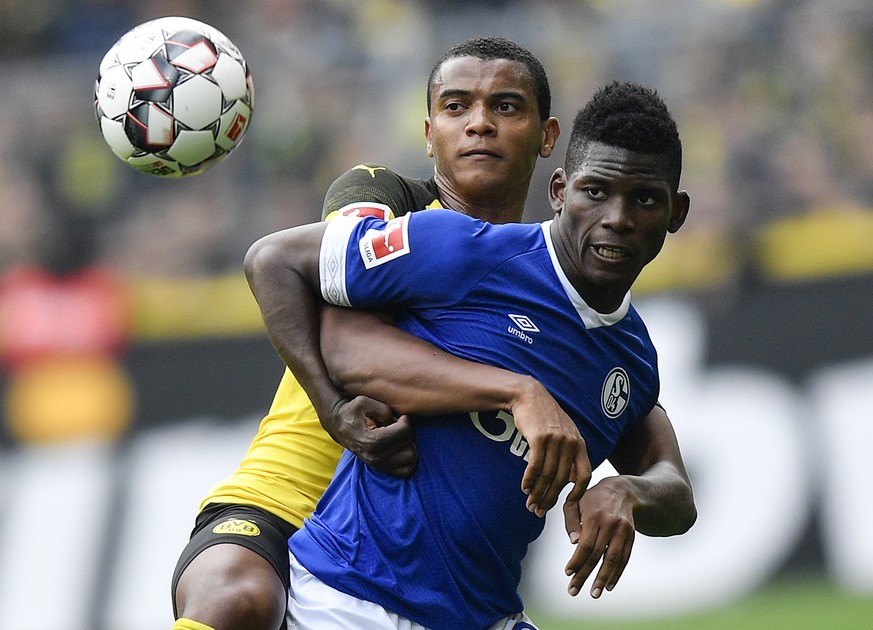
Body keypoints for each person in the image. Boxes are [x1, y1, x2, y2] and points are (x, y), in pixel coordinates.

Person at [244, 80, 697, 629]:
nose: (618, 218)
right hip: (352, 598)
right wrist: (515, 390)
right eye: (596, 192)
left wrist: (629, 491)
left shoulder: (632, 357)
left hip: (486, 616)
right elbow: (273, 261)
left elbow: (675, 489)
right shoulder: (462, 249)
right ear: (560, 191)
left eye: (644, 199)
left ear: (675, 212)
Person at [171, 37, 584, 630]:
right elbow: (279, 269)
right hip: (282, 499)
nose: (480, 125)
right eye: (457, 106)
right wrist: (333, 409)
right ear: (428, 130)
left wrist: (623, 491)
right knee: (236, 603)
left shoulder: (542, 279)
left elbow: (639, 419)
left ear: (548, 137)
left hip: (401, 560)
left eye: (506, 107)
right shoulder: (385, 200)